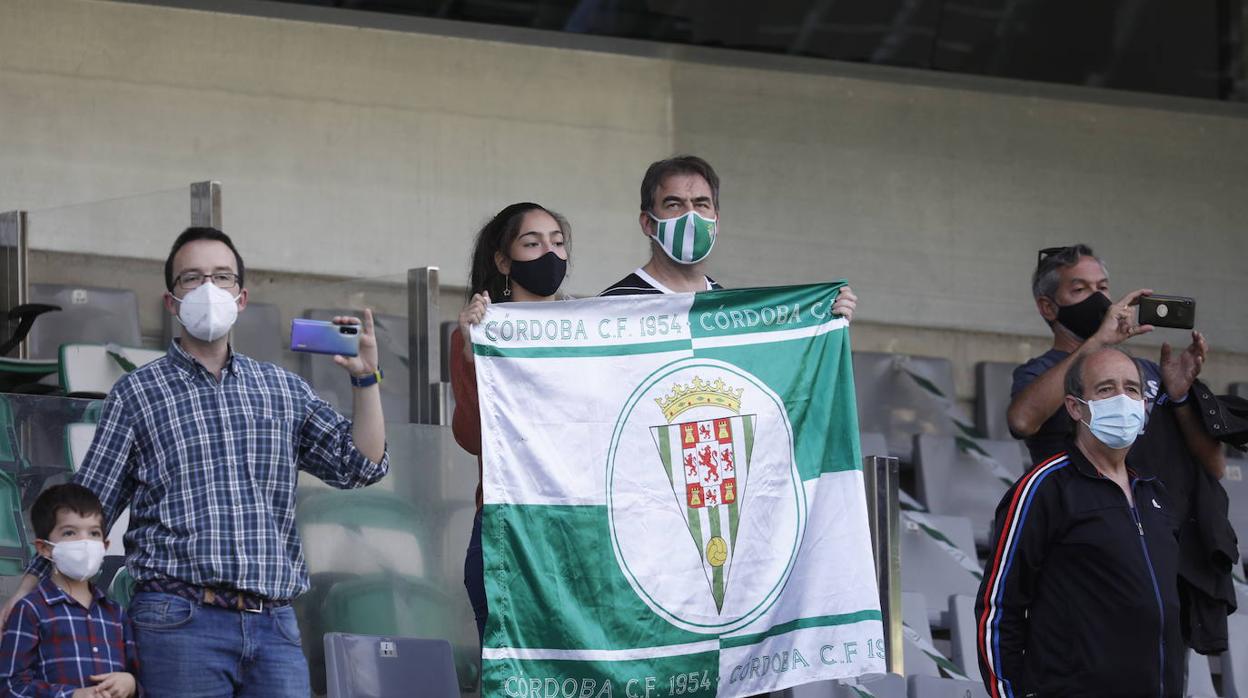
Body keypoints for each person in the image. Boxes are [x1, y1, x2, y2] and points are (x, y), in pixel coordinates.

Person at [0, 227, 389, 697]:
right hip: (178, 619)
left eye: (222, 277)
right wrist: (27, 588)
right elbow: (89, 503)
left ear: (241, 298)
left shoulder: (283, 389)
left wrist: (367, 382)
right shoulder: (137, 392)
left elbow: (361, 466)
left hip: (274, 624)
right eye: (192, 278)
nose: (208, 289)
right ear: (171, 301)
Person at [976, 346, 1182, 697]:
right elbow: (998, 609)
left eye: (1132, 389)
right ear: (1074, 407)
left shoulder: (1155, 494)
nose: (1122, 399)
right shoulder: (1044, 488)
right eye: (1105, 389)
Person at [450, 202, 571, 643]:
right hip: (508, 530)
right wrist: (470, 353)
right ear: (503, 260)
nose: (550, 253)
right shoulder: (479, 333)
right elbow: (471, 436)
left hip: (577, 527)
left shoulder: (593, 330)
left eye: (558, 243)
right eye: (532, 242)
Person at [1006, 244, 1222, 479]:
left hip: (1150, 510)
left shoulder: (1150, 370)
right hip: (1078, 508)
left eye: (1102, 287)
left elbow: (1216, 467)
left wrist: (1181, 398)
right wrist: (1097, 341)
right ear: (1048, 307)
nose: (1098, 297)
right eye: (1080, 289)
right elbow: (1022, 421)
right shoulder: (1039, 372)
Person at [599, 154, 857, 321]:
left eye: (701, 204)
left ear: (716, 221)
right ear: (648, 223)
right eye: (674, 204)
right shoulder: (614, 307)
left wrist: (826, 318)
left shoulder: (731, 310)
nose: (691, 217)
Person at [0, 484, 139, 697]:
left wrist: (131, 683)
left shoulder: (116, 614)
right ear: (45, 548)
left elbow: (136, 674)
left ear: (105, 545)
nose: (84, 542)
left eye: (94, 533)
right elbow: (10, 687)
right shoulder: (30, 610)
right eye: (69, 532)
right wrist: (72, 695)